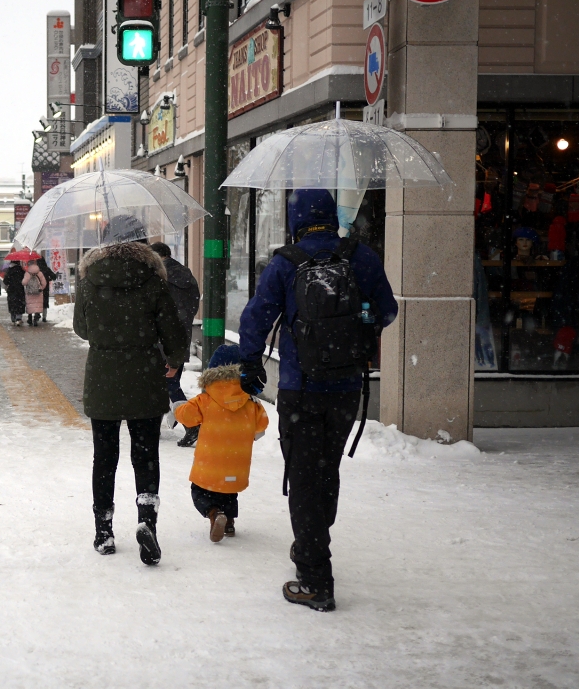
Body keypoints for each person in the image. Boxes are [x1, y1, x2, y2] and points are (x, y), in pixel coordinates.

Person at [237, 188, 397, 612]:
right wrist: (355, 325)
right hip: (346, 388)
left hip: (299, 386)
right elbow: (388, 311)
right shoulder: (361, 257)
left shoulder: (286, 263)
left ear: (296, 221)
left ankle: (314, 577)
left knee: (305, 476)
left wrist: (251, 363)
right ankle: (312, 543)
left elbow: (254, 320)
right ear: (332, 217)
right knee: (326, 470)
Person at [73, 215, 188, 566]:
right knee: (145, 454)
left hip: (103, 379)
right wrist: (174, 358)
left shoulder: (91, 279)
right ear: (142, 242)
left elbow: (81, 328)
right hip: (145, 378)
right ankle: (146, 520)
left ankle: (104, 530)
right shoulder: (153, 280)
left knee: (104, 457)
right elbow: (174, 332)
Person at [175, 344, 268, 542]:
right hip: (236, 465)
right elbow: (262, 425)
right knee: (229, 492)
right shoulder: (250, 402)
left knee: (199, 491)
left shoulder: (205, 399)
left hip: (209, 464)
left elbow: (187, 417)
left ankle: (214, 513)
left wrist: (177, 408)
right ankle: (229, 522)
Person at [150, 242, 202, 447]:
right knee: (167, 385)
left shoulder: (159, 278)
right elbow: (192, 306)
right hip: (181, 338)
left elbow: (156, 310)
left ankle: (192, 425)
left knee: (165, 386)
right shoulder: (187, 275)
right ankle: (155, 427)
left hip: (161, 339)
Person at [22, 260, 48, 326]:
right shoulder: (40, 273)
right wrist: (41, 288)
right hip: (38, 293)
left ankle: (30, 318)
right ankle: (36, 318)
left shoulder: (27, 273)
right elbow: (44, 283)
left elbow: (24, 283)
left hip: (29, 293)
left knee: (30, 306)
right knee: (37, 306)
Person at [3, 261, 26, 325]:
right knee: (19, 303)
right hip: (20, 290)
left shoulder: (9, 271)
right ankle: (18, 318)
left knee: (12, 303)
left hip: (11, 290)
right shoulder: (21, 270)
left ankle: (13, 318)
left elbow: (5, 281)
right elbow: (24, 280)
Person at [35, 257, 58, 322]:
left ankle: (37, 315)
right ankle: (44, 317)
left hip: (37, 288)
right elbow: (54, 277)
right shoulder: (46, 269)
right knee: (44, 302)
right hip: (45, 288)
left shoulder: (36, 269)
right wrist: (48, 279)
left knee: (37, 302)